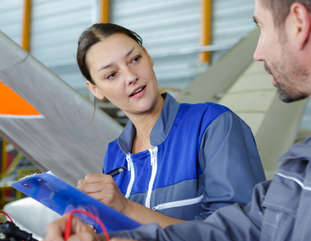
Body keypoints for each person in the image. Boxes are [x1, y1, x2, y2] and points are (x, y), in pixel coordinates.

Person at [37, 0, 311, 241]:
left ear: (299, 23)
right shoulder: (310, 158)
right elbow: (237, 235)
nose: (258, 52)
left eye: (262, 28)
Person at [75, 23, 265, 227]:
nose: (131, 77)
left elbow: (237, 234)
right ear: (95, 89)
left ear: (148, 56)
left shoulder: (213, 125)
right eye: (111, 75)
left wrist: (127, 208)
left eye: (135, 59)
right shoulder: (115, 155)